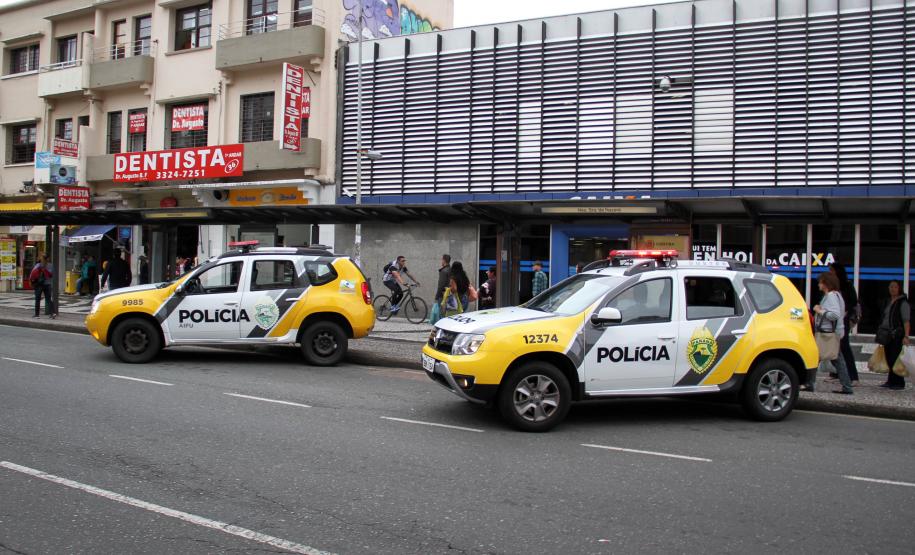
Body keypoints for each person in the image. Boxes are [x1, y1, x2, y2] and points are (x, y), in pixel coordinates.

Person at [809, 272, 852, 394]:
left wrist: (819, 310)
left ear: (826, 283)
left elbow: (835, 315)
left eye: (820, 282)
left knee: (815, 357)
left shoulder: (831, 296)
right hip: (832, 333)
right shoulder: (837, 295)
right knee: (836, 359)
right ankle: (847, 386)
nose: (818, 284)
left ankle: (809, 383)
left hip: (827, 333)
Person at [877, 280, 910, 391]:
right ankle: (891, 380)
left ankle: (899, 382)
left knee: (895, 358)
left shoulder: (902, 302)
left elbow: (906, 321)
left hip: (897, 334)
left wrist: (906, 336)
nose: (892, 289)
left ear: (899, 288)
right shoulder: (888, 301)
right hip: (887, 334)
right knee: (888, 357)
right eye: (891, 287)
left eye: (895, 287)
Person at [829, 263, 859, 383]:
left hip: (843, 320)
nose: (830, 272)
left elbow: (853, 301)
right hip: (834, 320)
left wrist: (846, 311)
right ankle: (838, 374)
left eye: (831, 270)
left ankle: (853, 376)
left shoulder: (846, 285)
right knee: (836, 348)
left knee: (844, 347)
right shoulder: (834, 286)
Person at [29, 253, 55, 319]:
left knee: (37, 299)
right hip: (48, 284)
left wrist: (31, 282)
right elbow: (51, 275)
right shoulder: (50, 265)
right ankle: (52, 313)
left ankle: (37, 315)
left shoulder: (38, 265)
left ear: (41, 259)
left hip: (39, 284)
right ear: (48, 259)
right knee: (48, 299)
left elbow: (32, 274)